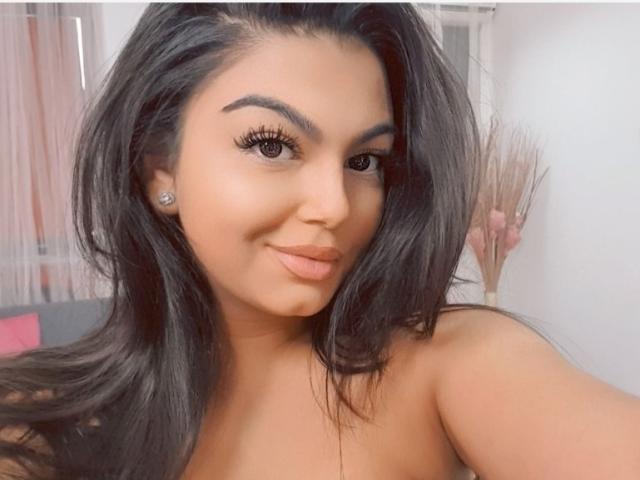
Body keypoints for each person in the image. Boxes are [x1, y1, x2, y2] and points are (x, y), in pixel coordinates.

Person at [1, 3, 639, 480]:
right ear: (160, 170)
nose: (336, 206)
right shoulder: (38, 416)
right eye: (272, 145)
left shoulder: (448, 364)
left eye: (365, 161)